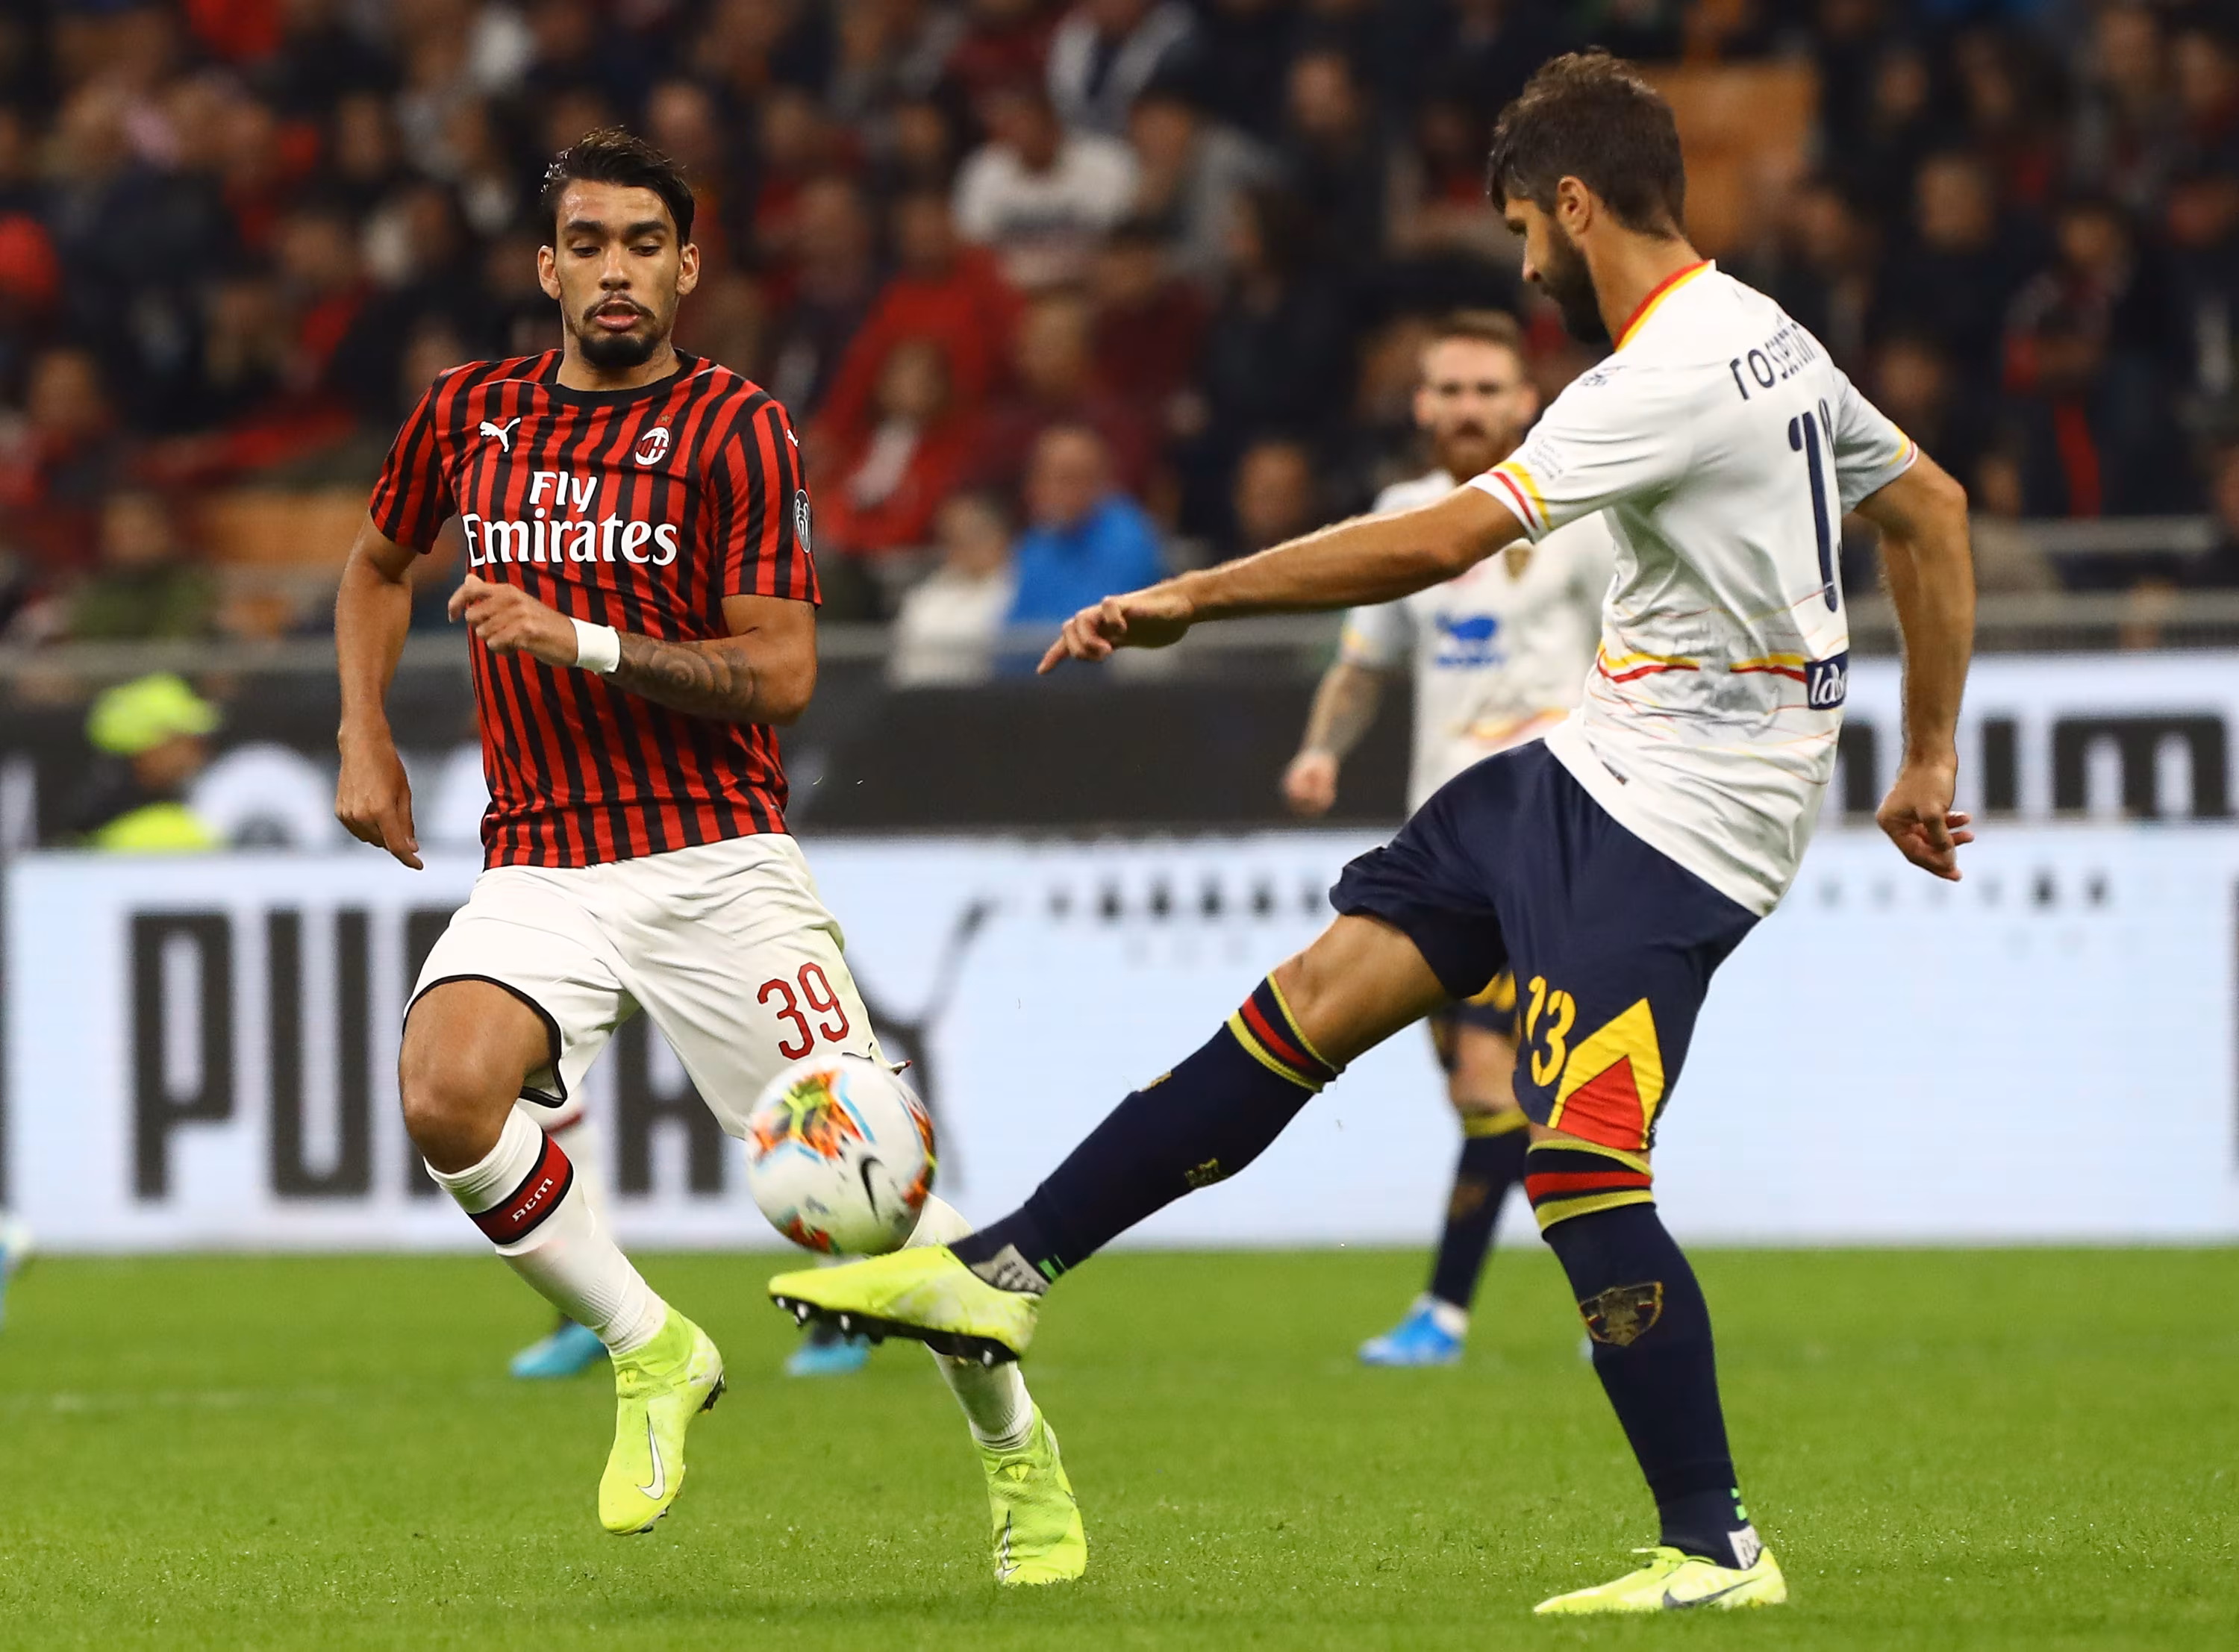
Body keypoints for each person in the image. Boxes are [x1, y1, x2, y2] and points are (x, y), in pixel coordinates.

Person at [771, 53, 1975, 1615]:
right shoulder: (1771, 336)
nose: (1526, 270)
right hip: (1582, 768)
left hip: (1687, 823)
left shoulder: (1659, 376)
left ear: (1573, 204)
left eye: (1523, 233)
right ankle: (1003, 1268)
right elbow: (1934, 511)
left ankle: (1716, 1549)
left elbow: (1439, 538)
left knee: (1582, 1168)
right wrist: (1924, 749)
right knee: (1316, 998)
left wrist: (1196, 595)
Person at [331, 129, 1084, 1583]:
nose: (615, 270)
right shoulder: (468, 415)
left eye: (643, 244)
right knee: (444, 1089)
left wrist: (582, 639)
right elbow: (375, 565)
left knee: (874, 1205)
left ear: (689, 266)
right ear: (547, 267)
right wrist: (362, 735)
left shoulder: (739, 429)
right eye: (588, 244)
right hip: (543, 862)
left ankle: (1017, 1451)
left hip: (717, 859)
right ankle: (650, 1344)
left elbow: (784, 671)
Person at [1279, 310, 1614, 1368]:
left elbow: (1638, 645)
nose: (1470, 408)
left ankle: (1446, 1314)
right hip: (1439, 846)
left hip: (1551, 834)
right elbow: (1364, 661)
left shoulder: (1580, 510)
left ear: (1526, 401)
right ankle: (1611, 1301)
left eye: (1488, 390)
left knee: (1494, 1083)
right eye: (1452, 391)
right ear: (1423, 405)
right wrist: (1322, 747)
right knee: (1520, 1102)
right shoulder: (1405, 517)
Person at [62, 672, 223, 851]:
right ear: (147, 746)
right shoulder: (167, 831)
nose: (199, 751)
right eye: (183, 739)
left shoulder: (85, 814)